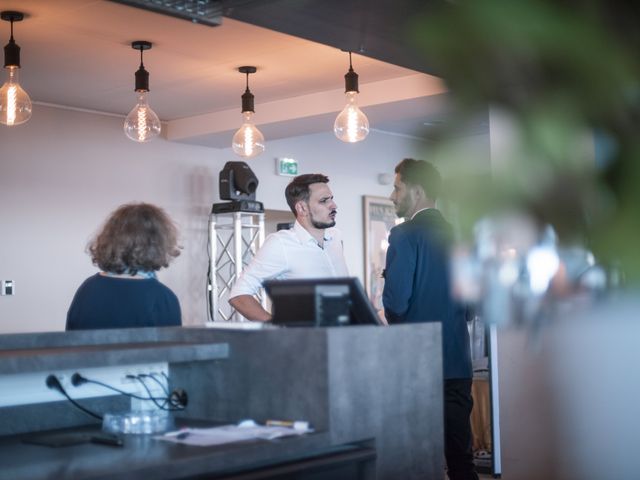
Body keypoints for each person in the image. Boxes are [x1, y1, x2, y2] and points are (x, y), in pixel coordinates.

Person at [383, 159, 477, 480]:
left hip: (416, 366)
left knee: (414, 462)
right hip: (457, 364)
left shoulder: (404, 235)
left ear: (417, 191)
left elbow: (396, 303)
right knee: (461, 461)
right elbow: (471, 305)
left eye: (397, 188)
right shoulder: (460, 236)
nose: (392, 196)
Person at [229, 173, 348, 321]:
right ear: (302, 208)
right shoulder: (280, 244)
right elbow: (239, 295)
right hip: (306, 340)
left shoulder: (336, 237)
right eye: (324, 201)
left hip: (344, 335)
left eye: (331, 199)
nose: (333, 205)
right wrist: (277, 328)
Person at [66, 202, 182, 330]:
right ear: (159, 244)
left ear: (110, 238)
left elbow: (71, 344)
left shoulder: (87, 290)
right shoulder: (163, 298)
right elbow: (170, 349)